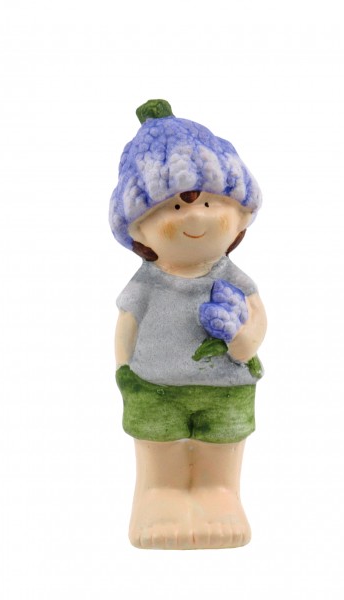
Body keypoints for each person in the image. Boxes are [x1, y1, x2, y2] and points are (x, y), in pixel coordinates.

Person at [110, 100, 266, 549]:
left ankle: (220, 496)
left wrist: (246, 339)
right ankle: (159, 497)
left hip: (226, 388)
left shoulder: (235, 279)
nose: (195, 216)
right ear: (138, 230)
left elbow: (257, 315)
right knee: (160, 451)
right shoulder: (146, 283)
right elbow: (126, 326)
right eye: (175, 206)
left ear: (241, 214)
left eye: (211, 202)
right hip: (155, 387)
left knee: (222, 449)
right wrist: (124, 373)